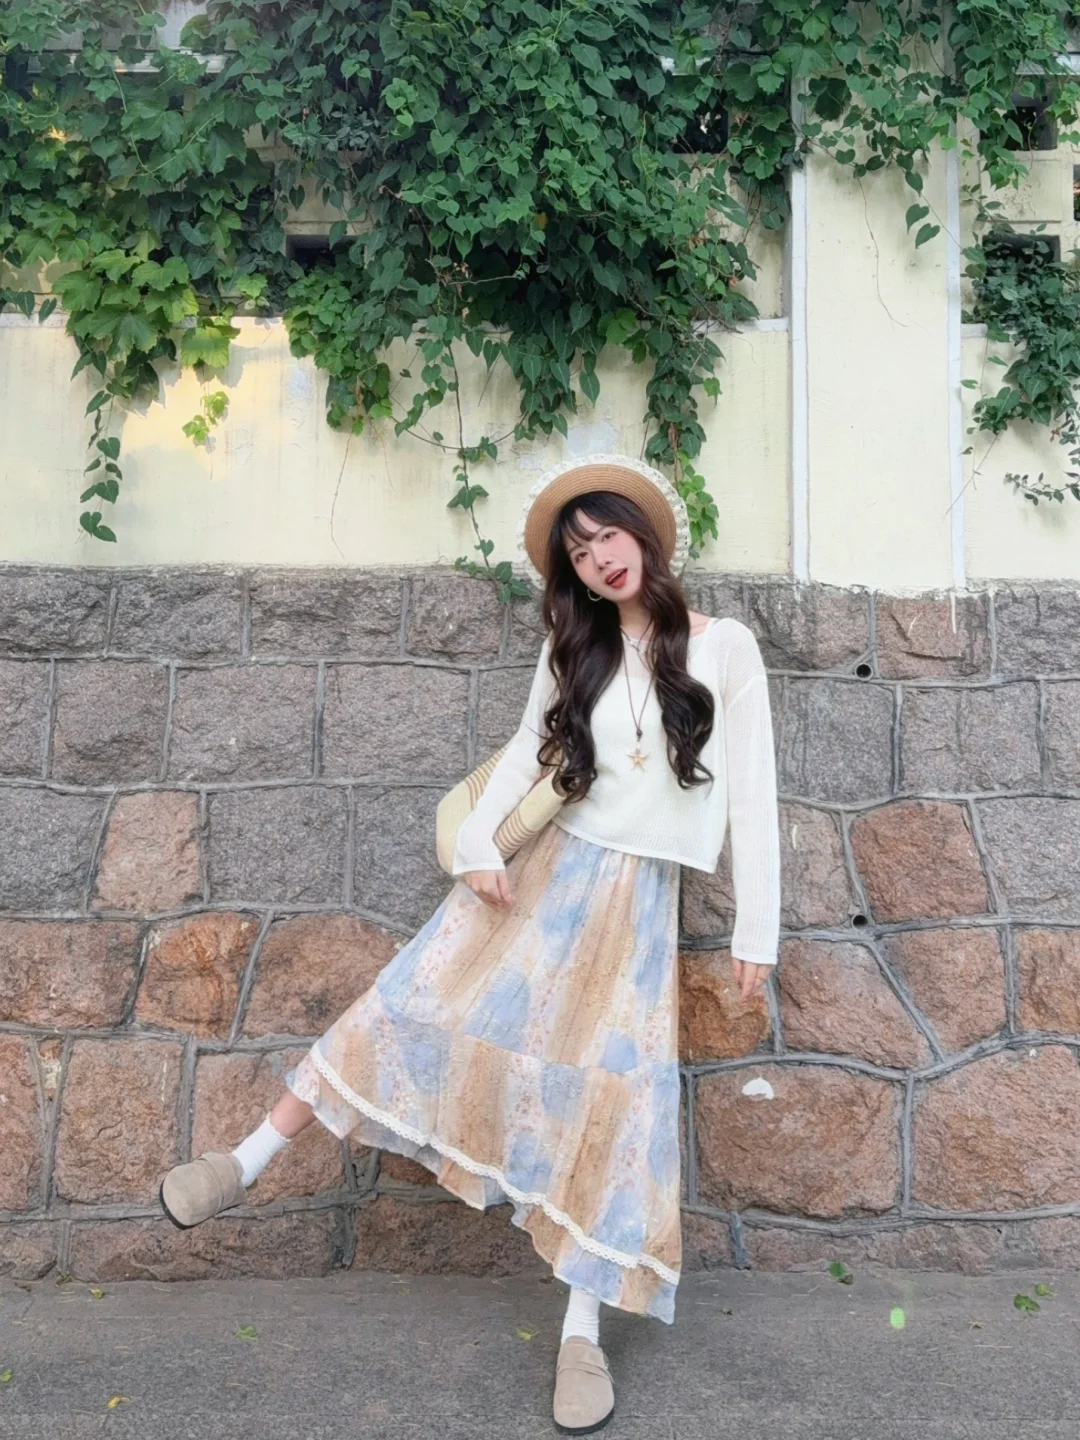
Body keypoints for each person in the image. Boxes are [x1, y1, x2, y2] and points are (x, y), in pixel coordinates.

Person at [158, 455, 780, 1436]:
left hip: (635, 909)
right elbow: (529, 747)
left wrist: (758, 929)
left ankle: (581, 1335)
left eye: (607, 535)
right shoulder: (575, 649)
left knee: (610, 1104)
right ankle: (244, 1160)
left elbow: (755, 792)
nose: (599, 558)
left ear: (642, 533)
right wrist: (482, 847)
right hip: (542, 880)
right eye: (580, 553)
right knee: (410, 1000)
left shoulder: (727, 647)